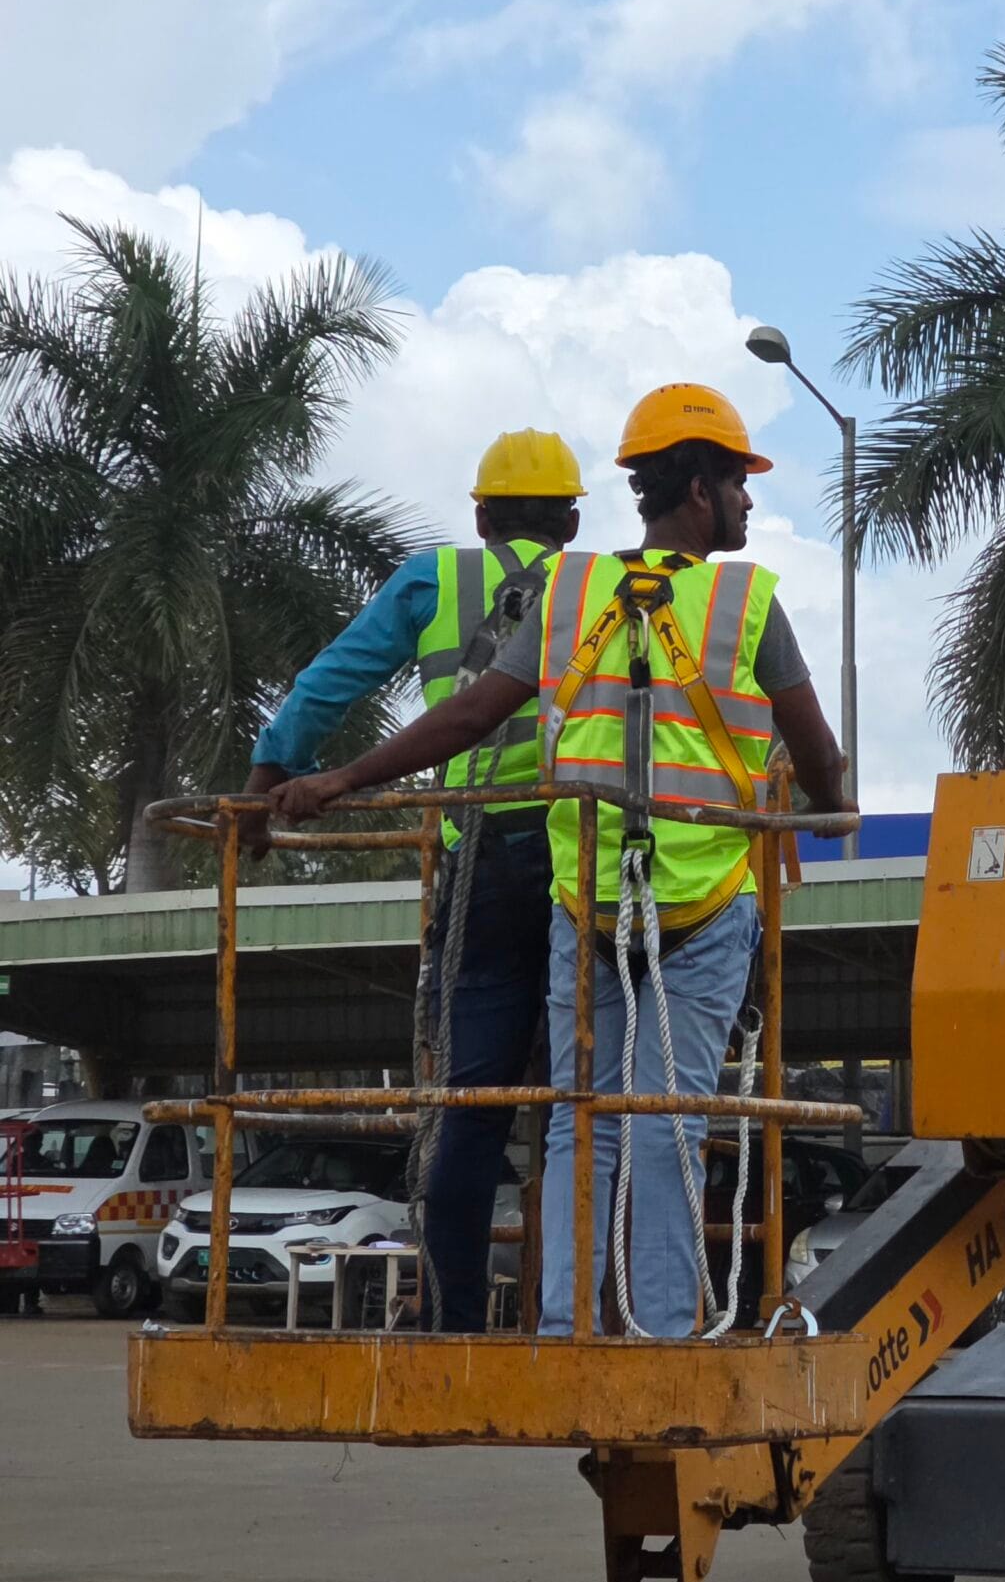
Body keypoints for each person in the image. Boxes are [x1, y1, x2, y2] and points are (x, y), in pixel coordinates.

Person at [265, 383, 848, 1337]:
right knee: (667, 1121)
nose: (749, 502)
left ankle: (564, 1327)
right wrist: (829, 809)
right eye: (741, 483)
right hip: (699, 902)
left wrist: (342, 779)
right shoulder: (748, 601)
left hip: (581, 899)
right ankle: (658, 1334)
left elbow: (466, 715)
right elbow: (815, 750)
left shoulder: (572, 591)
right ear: (700, 489)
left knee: (580, 1117)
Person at [247, 429, 586, 1331]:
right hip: (580, 848)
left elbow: (332, 682)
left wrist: (269, 779)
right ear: (572, 517)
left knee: (469, 1100)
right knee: (588, 1100)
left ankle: (452, 1317)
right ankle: (583, 1318)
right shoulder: (600, 585)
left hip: (482, 855)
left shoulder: (435, 579)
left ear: (481, 516)